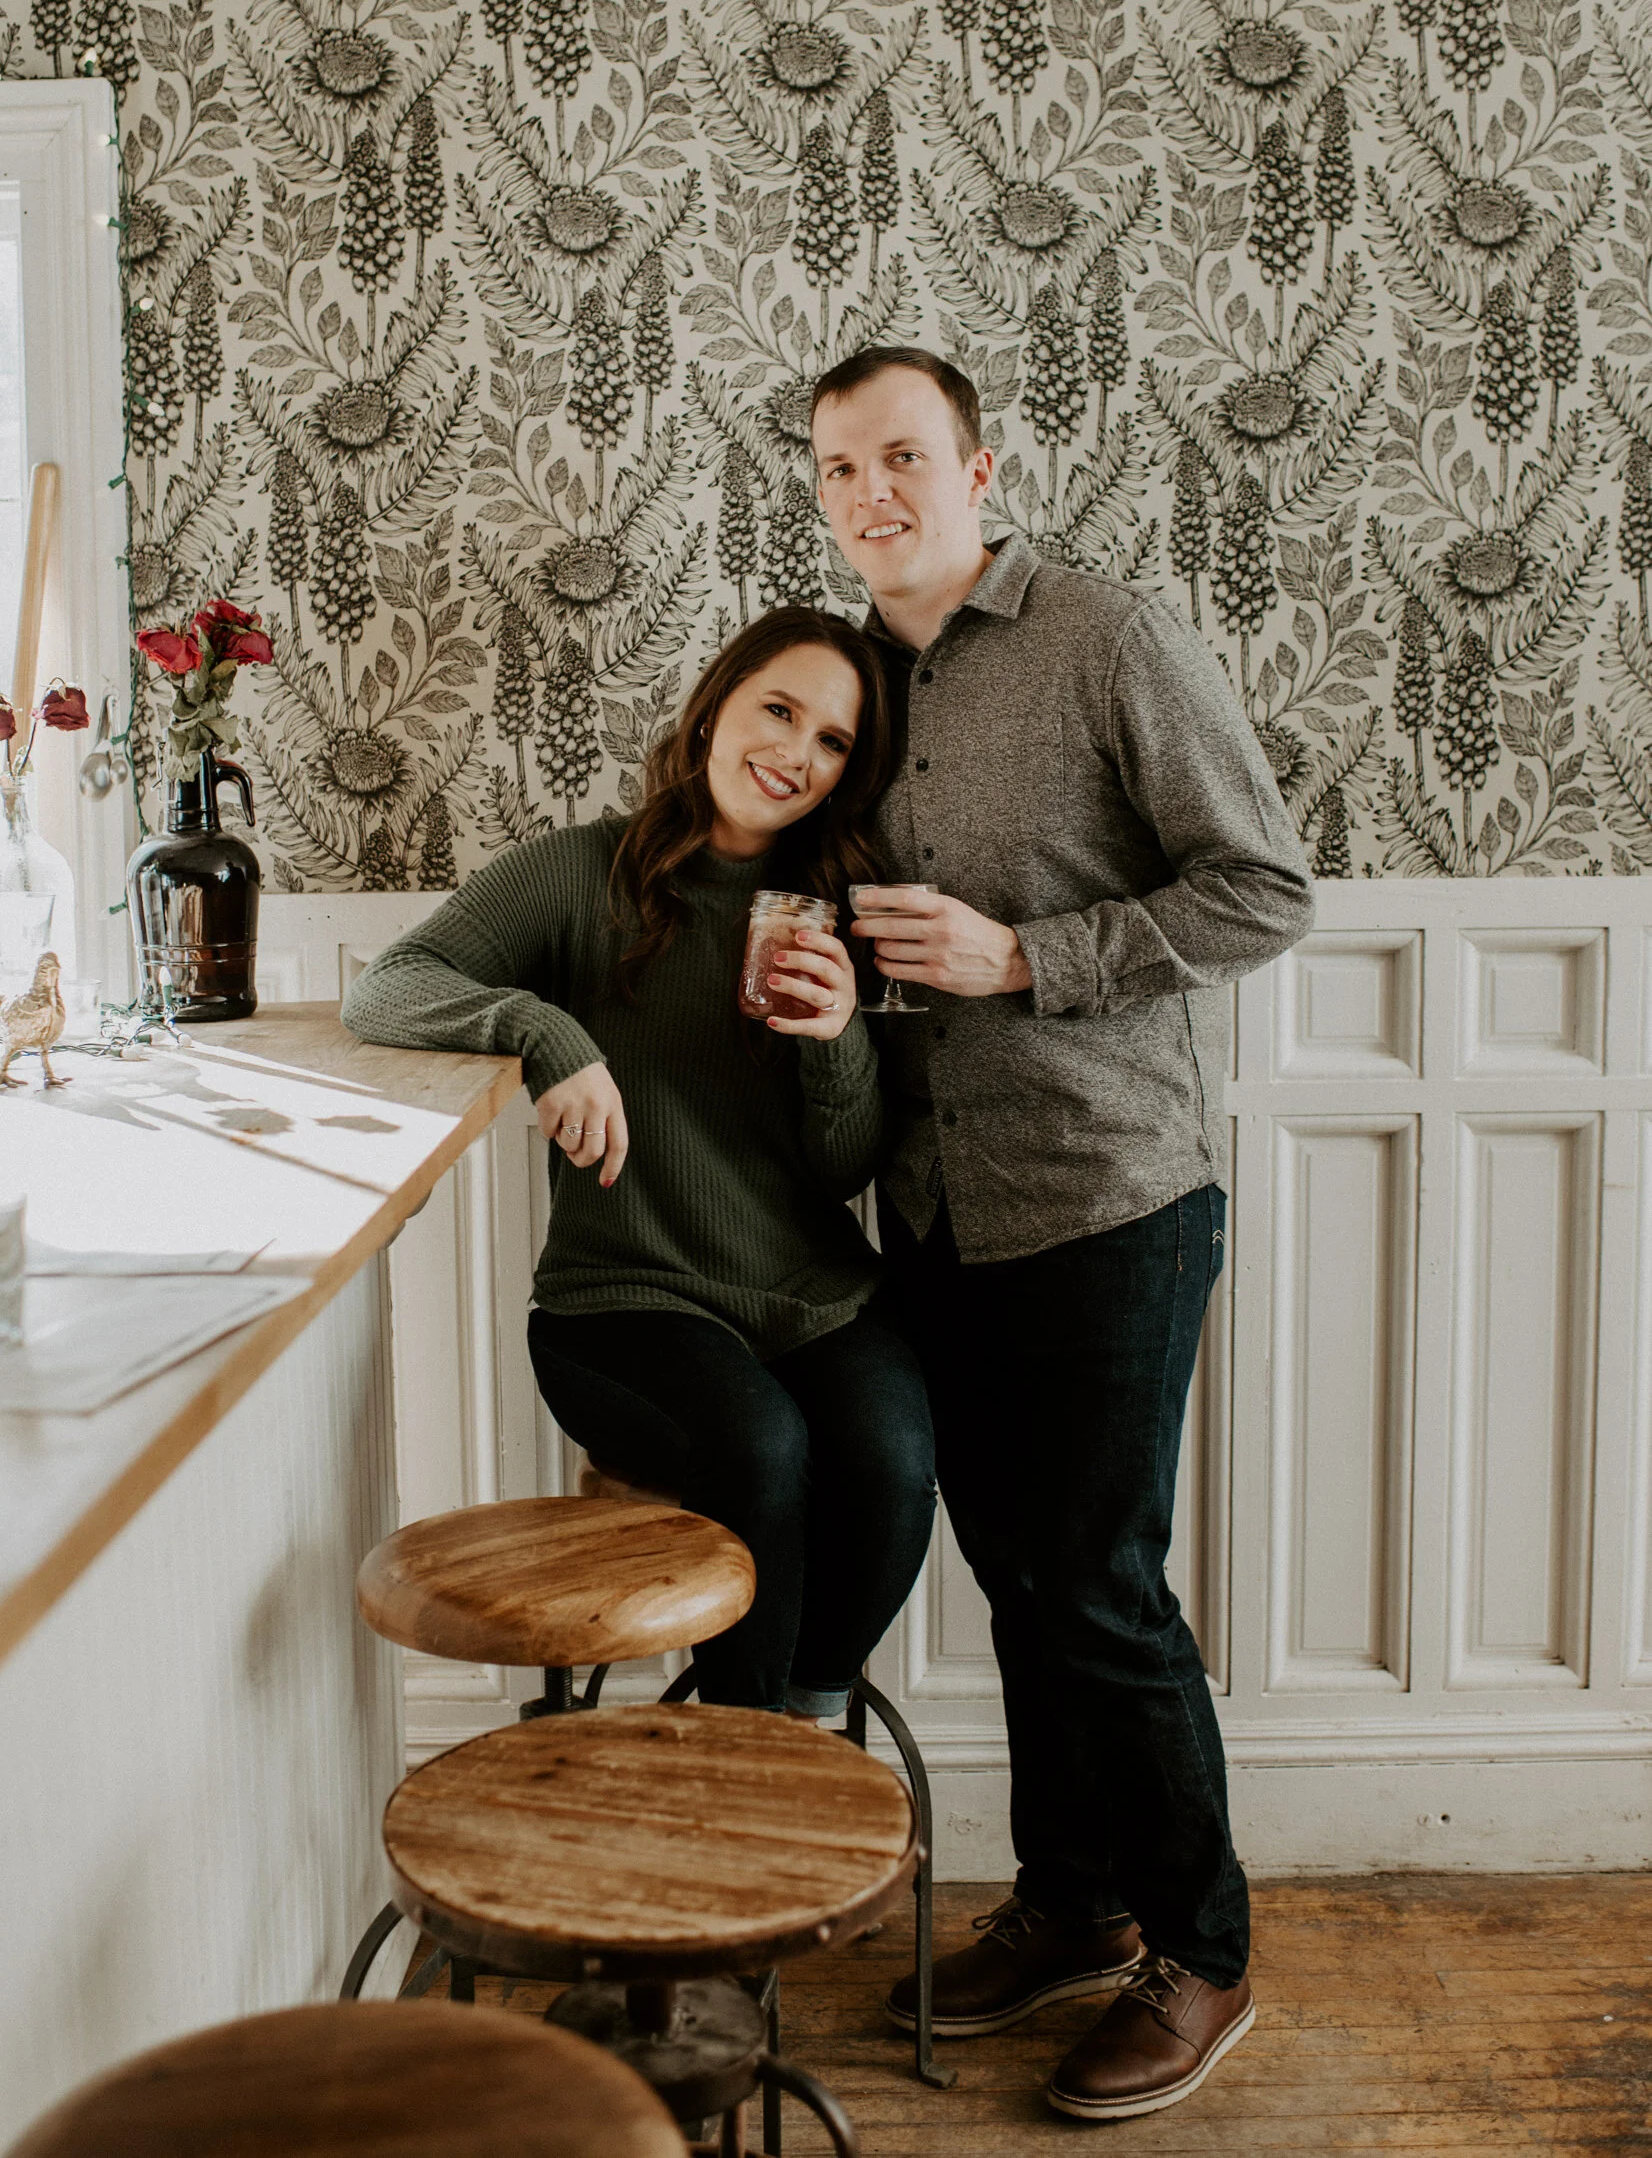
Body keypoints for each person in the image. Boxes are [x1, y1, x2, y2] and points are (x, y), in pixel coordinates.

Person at [810, 345, 1315, 2122]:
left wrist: (1027, 958)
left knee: (1098, 1585)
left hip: (1108, 1194)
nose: (872, 493)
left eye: (902, 458)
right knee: (1025, 1582)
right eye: (838, 470)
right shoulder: (841, 685)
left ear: (980, 467)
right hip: (934, 1206)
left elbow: (1263, 883)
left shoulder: (1106, 637)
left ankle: (1203, 1951)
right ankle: (1076, 1904)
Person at [342, 607, 936, 1721]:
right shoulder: (582, 873)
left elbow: (842, 1169)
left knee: (893, 1462)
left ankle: (796, 1727)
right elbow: (385, 987)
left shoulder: (832, 915)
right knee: (761, 1451)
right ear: (713, 706)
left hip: (811, 1292)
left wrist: (840, 1039)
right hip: (622, 1300)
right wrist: (546, 1036)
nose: (793, 753)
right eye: (777, 709)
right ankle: (740, 1751)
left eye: (831, 741)